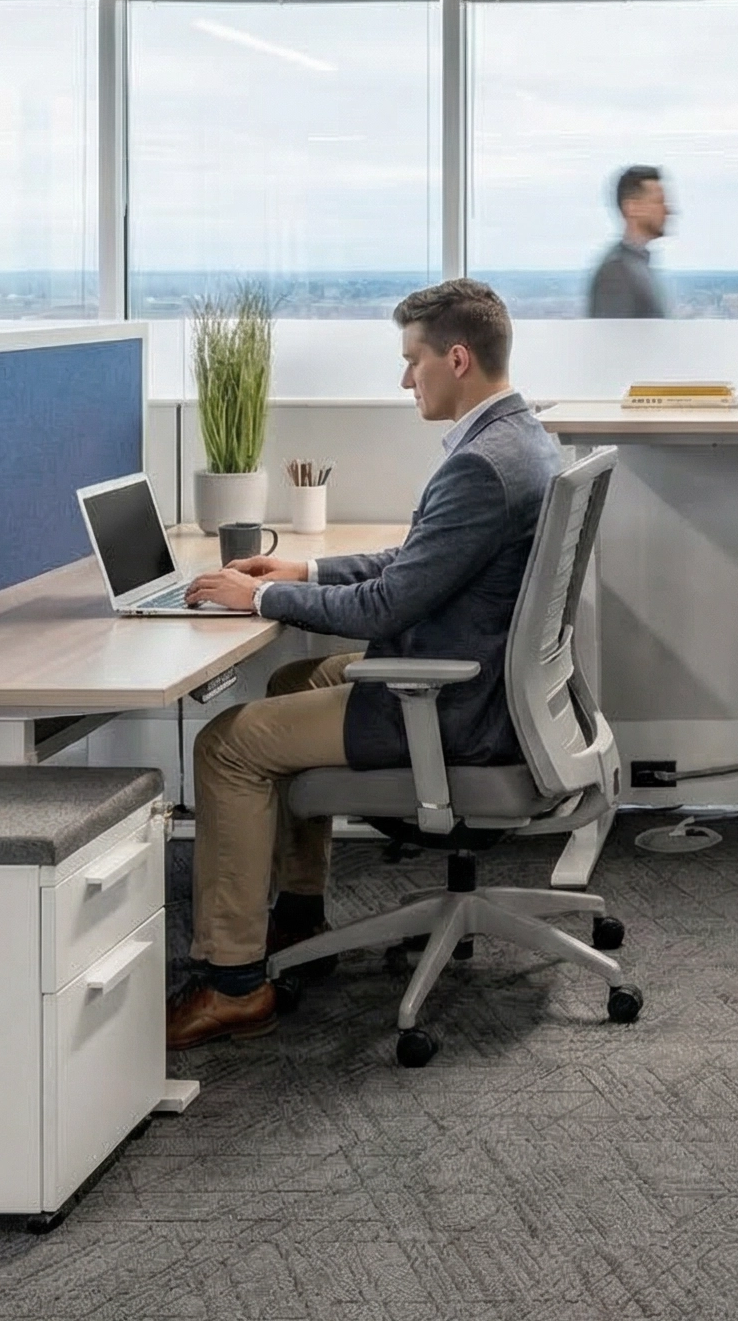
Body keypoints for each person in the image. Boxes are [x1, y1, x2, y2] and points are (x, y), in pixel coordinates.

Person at [164, 278, 563, 1048]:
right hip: (487, 683)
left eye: (412, 361)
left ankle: (235, 980)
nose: (404, 378)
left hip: (449, 705)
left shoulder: (480, 467)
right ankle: (299, 914)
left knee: (228, 746)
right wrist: (302, 575)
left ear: (455, 357)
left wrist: (260, 605)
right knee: (290, 681)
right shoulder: (520, 440)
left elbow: (387, 609)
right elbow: (418, 562)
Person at [588, 164, 670, 317]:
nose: (667, 210)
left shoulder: (636, 265)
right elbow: (614, 339)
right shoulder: (616, 272)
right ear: (632, 207)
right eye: (659, 201)